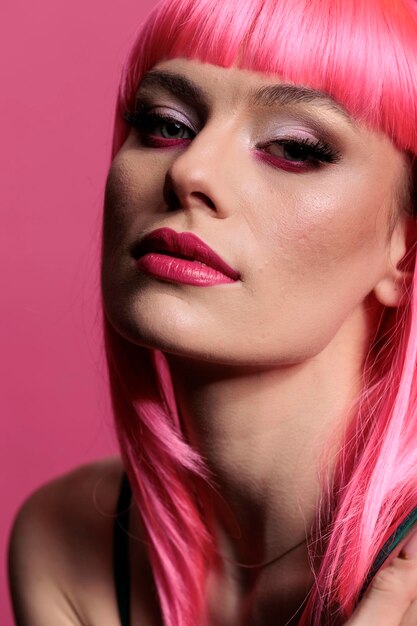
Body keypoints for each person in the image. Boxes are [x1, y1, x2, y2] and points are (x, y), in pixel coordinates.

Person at [7, 0, 417, 624]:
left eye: (295, 148)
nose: (191, 171)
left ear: (405, 254)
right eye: (166, 123)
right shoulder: (67, 541)